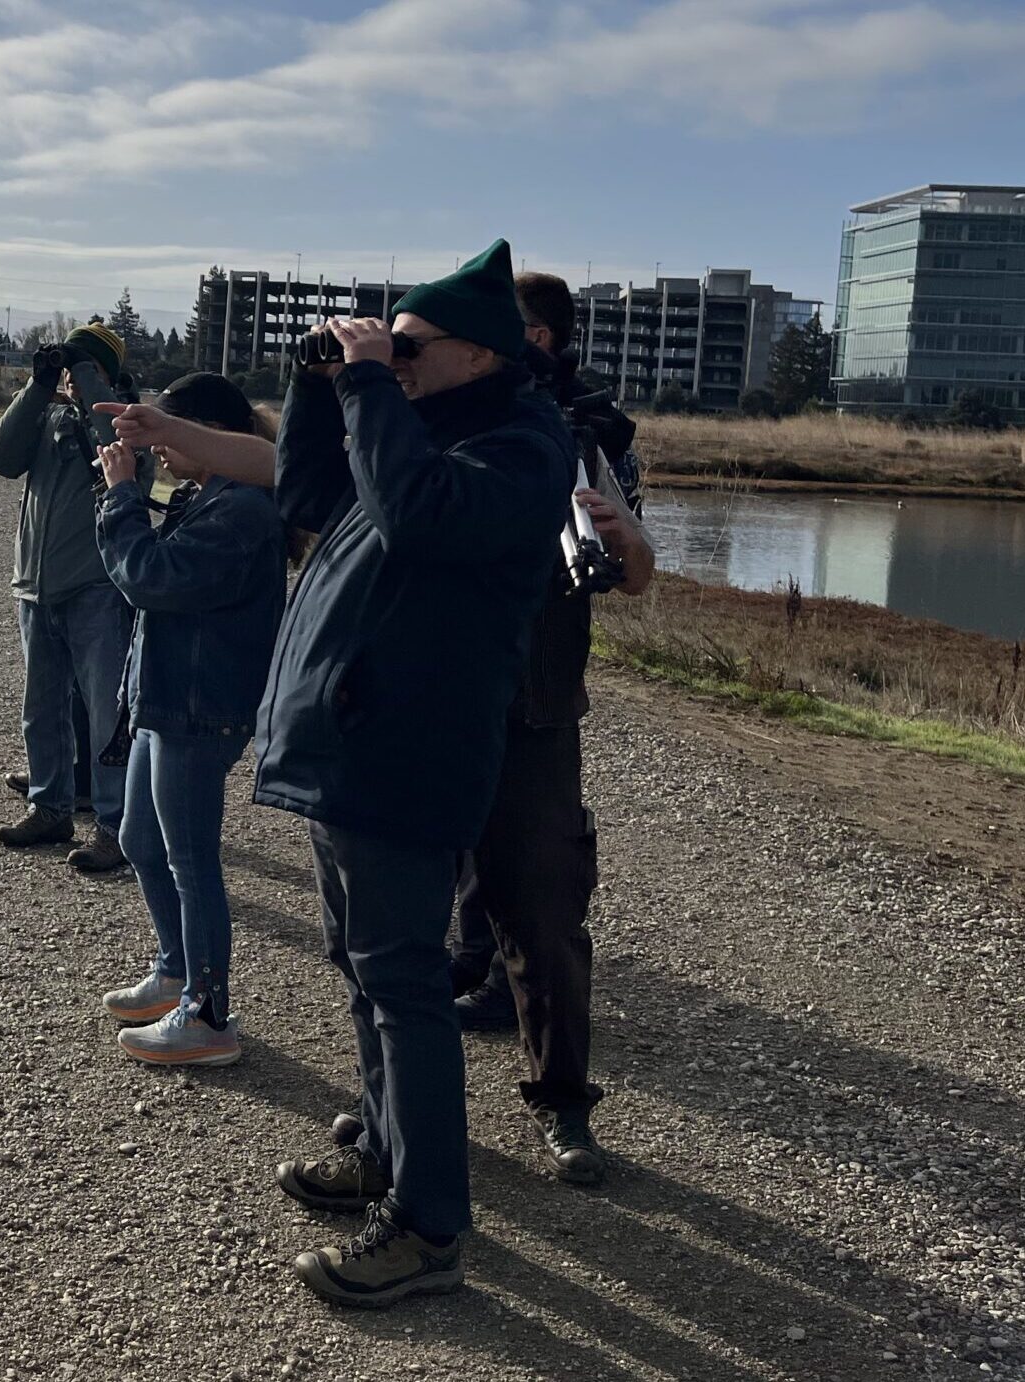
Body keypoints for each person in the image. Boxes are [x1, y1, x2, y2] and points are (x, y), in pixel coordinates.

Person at [104, 240, 574, 1308]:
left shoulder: (519, 445)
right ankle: (381, 1147)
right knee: (358, 967)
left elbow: (419, 514)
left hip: (410, 752)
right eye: (388, 345)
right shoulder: (416, 424)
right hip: (347, 747)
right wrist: (319, 384)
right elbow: (309, 492)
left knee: (404, 982)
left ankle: (426, 1226)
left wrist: (370, 384)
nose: (394, 360)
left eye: (411, 347)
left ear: (479, 353)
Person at [433, 270, 652, 1183]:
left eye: (520, 331)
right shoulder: (428, 413)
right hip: (431, 697)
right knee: (406, 918)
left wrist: (616, 532)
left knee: (550, 918)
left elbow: (637, 567)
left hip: (535, 703)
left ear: (550, 340)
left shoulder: (589, 434)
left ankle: (565, 1110)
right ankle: (389, 1112)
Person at [89, 374, 285, 1067]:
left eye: (169, 436)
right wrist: (136, 490)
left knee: (191, 859)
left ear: (207, 433)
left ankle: (207, 1014)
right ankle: (175, 971)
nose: (162, 454)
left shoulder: (244, 510)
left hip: (201, 706)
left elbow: (151, 578)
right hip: (165, 696)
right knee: (142, 838)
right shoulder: (206, 494)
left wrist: (118, 499)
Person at [0, 321, 146, 872]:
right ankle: (49, 806)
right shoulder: (47, 414)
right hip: (35, 584)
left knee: (106, 716)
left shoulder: (129, 418)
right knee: (41, 710)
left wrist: (88, 381)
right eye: (72, 367)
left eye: (87, 368)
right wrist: (38, 386)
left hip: (97, 586)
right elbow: (1, 459)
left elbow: (116, 451)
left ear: (107, 374)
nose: (74, 379)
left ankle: (113, 825)